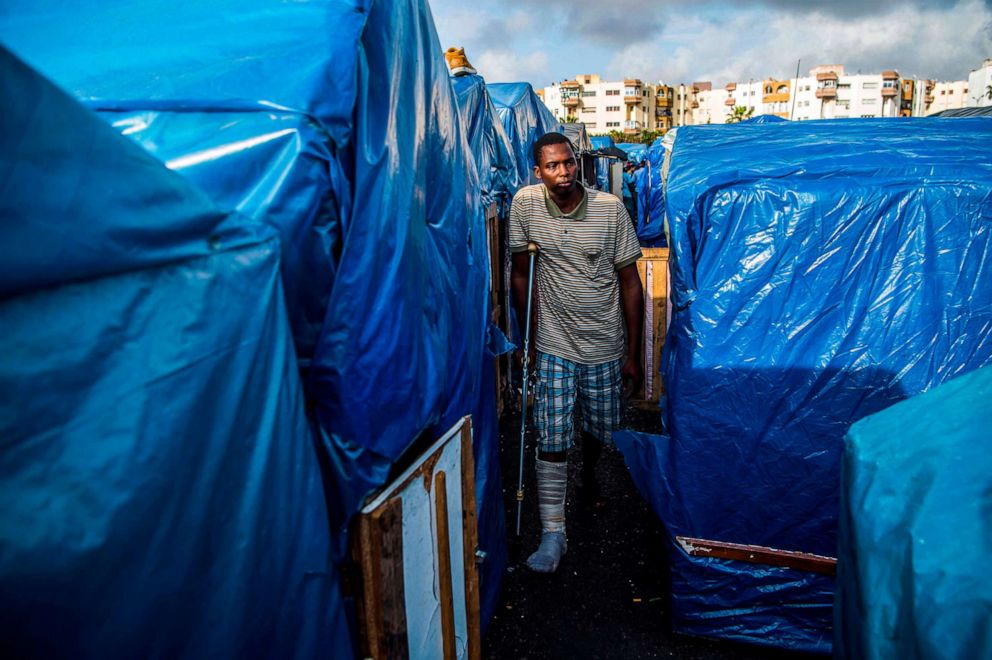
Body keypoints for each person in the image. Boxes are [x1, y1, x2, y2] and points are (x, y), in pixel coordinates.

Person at [509, 132, 644, 573]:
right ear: (538, 171)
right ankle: (553, 533)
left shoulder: (609, 209)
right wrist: (525, 339)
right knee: (550, 432)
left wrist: (634, 354)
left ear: (578, 163)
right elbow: (521, 276)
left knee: (600, 427)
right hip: (552, 340)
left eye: (568, 163)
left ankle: (588, 473)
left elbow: (630, 282)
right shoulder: (525, 206)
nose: (563, 173)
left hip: (604, 341)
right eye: (552, 166)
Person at [622, 161, 638, 228]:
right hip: (628, 195)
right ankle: (632, 226)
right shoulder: (626, 175)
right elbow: (631, 186)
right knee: (631, 212)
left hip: (619, 195)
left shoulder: (614, 174)